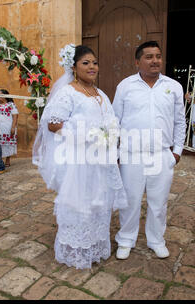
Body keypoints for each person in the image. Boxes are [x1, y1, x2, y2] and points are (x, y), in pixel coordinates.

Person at [32, 44, 127, 269]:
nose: (92, 66)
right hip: (80, 162)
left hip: (101, 160)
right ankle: (76, 251)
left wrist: (110, 135)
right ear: (74, 67)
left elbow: (110, 121)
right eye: (86, 63)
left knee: (99, 203)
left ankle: (95, 246)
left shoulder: (100, 93)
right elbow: (54, 123)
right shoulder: (68, 92)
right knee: (80, 204)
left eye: (94, 62)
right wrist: (84, 135)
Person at [112, 41, 186, 259]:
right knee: (130, 200)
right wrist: (115, 153)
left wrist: (177, 151)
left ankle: (156, 240)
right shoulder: (125, 86)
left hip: (162, 154)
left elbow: (180, 121)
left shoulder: (173, 86)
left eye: (158, 56)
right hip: (131, 154)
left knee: (159, 202)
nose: (155, 61)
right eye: (149, 57)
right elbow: (115, 120)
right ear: (137, 61)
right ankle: (126, 239)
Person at [0, 89, 18, 167]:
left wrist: (13, 127)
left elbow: (15, 116)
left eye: (0, 95)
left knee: (8, 144)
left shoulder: (10, 105)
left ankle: (8, 159)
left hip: (8, 126)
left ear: (5, 96)